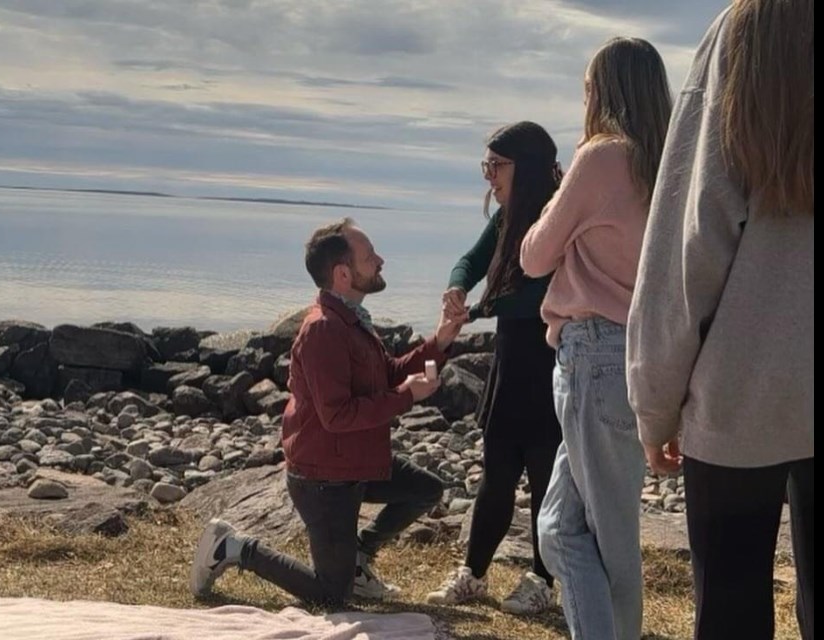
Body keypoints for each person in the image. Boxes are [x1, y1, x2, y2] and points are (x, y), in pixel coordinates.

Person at [627, 2, 814, 638]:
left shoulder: (752, 31)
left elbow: (689, 244)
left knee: (731, 611)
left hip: (745, 390)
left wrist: (654, 401)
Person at [190, 218, 465, 606]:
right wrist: (407, 396)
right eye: (370, 258)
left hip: (355, 463)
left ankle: (357, 558)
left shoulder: (352, 320)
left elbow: (386, 374)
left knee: (425, 489)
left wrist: (439, 341)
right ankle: (233, 547)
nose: (380, 260)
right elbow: (337, 416)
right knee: (330, 596)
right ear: (342, 274)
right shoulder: (324, 330)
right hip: (325, 478)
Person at [520, 37, 672, 640]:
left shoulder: (604, 155)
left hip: (592, 355)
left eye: (587, 88)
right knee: (559, 529)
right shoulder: (666, 163)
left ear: (603, 92)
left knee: (610, 544)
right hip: (637, 357)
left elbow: (534, 256)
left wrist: (562, 194)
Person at [426, 121, 564, 615]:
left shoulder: (557, 212)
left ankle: (543, 580)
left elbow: (540, 294)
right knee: (497, 472)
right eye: (486, 165)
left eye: (495, 165)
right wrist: (457, 288)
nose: (488, 175)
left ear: (523, 166)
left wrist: (483, 310)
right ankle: (474, 572)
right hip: (510, 361)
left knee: (547, 478)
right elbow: (472, 259)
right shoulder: (508, 213)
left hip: (550, 360)